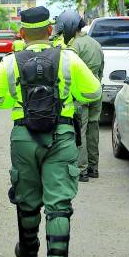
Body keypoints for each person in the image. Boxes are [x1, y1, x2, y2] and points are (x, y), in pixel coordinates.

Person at [0, 6, 101, 257]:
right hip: (60, 136)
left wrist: (15, 103)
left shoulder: (11, 62)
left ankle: (28, 253)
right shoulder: (68, 59)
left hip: (23, 137)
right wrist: (69, 97)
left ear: (22, 33)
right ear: (50, 30)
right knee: (58, 203)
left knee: (26, 197)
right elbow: (94, 92)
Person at [54, 10, 104, 182]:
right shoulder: (96, 44)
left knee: (79, 131)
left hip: (80, 96)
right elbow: (101, 70)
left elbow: (69, 73)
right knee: (93, 129)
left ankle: (81, 170)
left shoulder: (74, 46)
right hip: (96, 92)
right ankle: (93, 167)